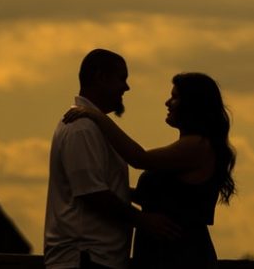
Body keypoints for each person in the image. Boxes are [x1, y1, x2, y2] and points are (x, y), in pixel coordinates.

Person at [64, 71, 238, 266]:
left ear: (193, 104)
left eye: (175, 97)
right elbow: (158, 197)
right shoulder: (193, 146)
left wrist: (96, 116)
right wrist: (100, 189)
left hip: (181, 254)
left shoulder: (198, 146)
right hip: (162, 250)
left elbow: (140, 158)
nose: (167, 102)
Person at [44, 49, 175, 269]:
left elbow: (98, 189)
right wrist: (144, 220)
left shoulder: (91, 126)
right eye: (121, 78)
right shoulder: (82, 129)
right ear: (101, 77)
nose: (126, 87)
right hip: (85, 256)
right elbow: (92, 193)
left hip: (93, 256)